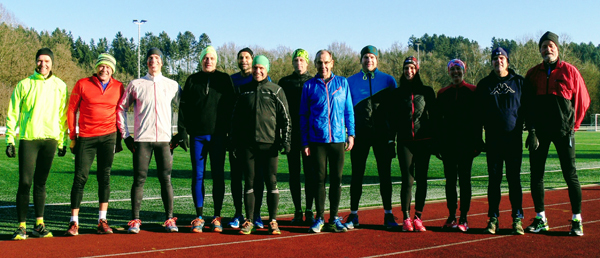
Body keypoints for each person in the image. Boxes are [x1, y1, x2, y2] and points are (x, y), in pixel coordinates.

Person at [524, 31, 590, 236]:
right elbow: (527, 104)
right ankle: (541, 218)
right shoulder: (533, 73)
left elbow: (583, 100)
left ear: (557, 48)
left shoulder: (570, 71)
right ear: (540, 51)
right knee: (536, 175)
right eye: (544, 46)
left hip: (563, 132)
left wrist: (573, 126)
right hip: (539, 133)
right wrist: (531, 130)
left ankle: (576, 220)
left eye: (551, 45)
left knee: (570, 175)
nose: (547, 49)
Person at [6, 48, 69, 240]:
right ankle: (21, 226)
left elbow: (63, 115)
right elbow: (13, 113)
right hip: (29, 139)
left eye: (47, 61)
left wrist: (62, 141)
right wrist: (10, 138)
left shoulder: (60, 85)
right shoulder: (24, 84)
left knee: (41, 183)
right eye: (40, 61)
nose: (43, 64)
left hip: (50, 140)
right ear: (36, 62)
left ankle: (39, 224)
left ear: (52, 63)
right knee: (25, 182)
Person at [117, 48, 181, 234]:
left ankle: (169, 218)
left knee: (166, 180)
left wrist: (180, 134)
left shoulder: (172, 85)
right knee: (139, 180)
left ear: (162, 62)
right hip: (142, 140)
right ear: (146, 62)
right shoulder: (136, 84)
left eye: (157, 58)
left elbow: (186, 108)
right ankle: (135, 219)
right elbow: (121, 108)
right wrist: (126, 135)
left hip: (164, 140)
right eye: (150, 58)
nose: (153, 61)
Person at [65, 53, 125, 236]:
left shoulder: (119, 86)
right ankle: (74, 222)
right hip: (86, 137)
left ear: (112, 70)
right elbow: (71, 109)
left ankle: (102, 220)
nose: (104, 69)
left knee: (104, 177)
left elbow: (121, 111)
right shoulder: (82, 83)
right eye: (101, 66)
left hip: (108, 137)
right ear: (97, 67)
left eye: (108, 67)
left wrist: (120, 138)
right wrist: (73, 137)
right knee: (80, 178)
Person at [176, 46, 235, 233]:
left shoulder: (224, 80)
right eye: (205, 58)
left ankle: (217, 216)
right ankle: (199, 216)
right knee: (198, 175)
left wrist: (229, 133)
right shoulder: (192, 80)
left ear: (216, 60)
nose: (208, 61)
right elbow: (183, 108)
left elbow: (232, 108)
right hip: (198, 137)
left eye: (211, 58)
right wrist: (182, 131)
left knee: (218, 175)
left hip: (218, 136)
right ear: (201, 60)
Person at [231, 55, 291, 235]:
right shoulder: (243, 90)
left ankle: (273, 220)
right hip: (248, 147)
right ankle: (248, 220)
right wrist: (234, 142)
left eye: (261, 68)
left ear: (267, 69)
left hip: (270, 145)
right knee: (249, 182)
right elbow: (235, 120)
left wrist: (286, 140)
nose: (257, 71)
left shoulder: (276, 90)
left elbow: (286, 118)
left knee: (271, 182)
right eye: (255, 68)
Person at [300, 50, 355, 233]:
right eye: (319, 63)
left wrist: (351, 134)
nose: (322, 66)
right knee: (319, 180)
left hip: (338, 139)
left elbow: (349, 111)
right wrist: (305, 142)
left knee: (337, 180)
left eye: (326, 62)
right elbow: (303, 116)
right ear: (315, 64)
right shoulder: (309, 86)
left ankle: (333, 218)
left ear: (332, 63)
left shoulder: (342, 83)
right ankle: (320, 218)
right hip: (317, 141)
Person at [475, 47, 528, 235]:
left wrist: (532, 131)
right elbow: (477, 115)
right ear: (491, 62)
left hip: (513, 140)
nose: (499, 61)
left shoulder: (520, 82)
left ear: (508, 61)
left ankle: (517, 219)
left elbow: (528, 109)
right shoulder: (484, 85)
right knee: (494, 181)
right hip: (493, 141)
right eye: (495, 59)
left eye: (502, 58)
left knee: (514, 180)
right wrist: (478, 138)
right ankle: (493, 218)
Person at [346, 45, 398, 230]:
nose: (369, 60)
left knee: (385, 175)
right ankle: (353, 215)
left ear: (377, 60)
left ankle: (388, 214)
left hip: (382, 135)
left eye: (372, 57)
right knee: (356, 175)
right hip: (359, 135)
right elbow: (347, 110)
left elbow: (395, 111)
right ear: (361, 60)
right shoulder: (350, 81)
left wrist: (392, 136)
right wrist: (349, 133)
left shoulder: (389, 81)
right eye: (365, 57)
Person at [388, 56, 435, 232]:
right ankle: (406, 217)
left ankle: (418, 217)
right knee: (407, 180)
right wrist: (391, 139)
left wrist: (434, 140)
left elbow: (434, 117)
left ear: (417, 70)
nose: (409, 71)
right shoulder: (397, 93)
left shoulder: (427, 92)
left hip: (423, 141)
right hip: (405, 142)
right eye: (406, 68)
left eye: (412, 68)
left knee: (422, 180)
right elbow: (392, 119)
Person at [435, 59, 481, 233]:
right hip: (448, 145)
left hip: (466, 145)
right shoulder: (442, 93)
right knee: (450, 182)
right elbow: (438, 122)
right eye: (452, 70)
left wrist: (477, 142)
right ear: (448, 72)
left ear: (464, 71)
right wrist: (437, 144)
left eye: (458, 69)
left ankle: (464, 217)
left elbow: (478, 119)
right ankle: (451, 215)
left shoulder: (473, 91)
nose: (455, 73)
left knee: (465, 181)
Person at [228, 47, 267, 229]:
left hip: (257, 140)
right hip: (237, 138)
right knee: (236, 177)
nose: (244, 60)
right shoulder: (232, 81)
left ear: (252, 61)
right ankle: (238, 213)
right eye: (240, 58)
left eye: (246, 58)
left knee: (256, 178)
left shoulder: (261, 80)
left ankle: (256, 214)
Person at [278, 48, 316, 225]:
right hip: (291, 135)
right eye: (296, 60)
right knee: (294, 174)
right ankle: (297, 210)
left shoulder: (314, 81)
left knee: (310, 173)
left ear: (307, 63)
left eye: (302, 60)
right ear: (292, 63)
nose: (299, 63)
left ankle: (309, 209)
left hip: (310, 135)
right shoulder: (284, 82)